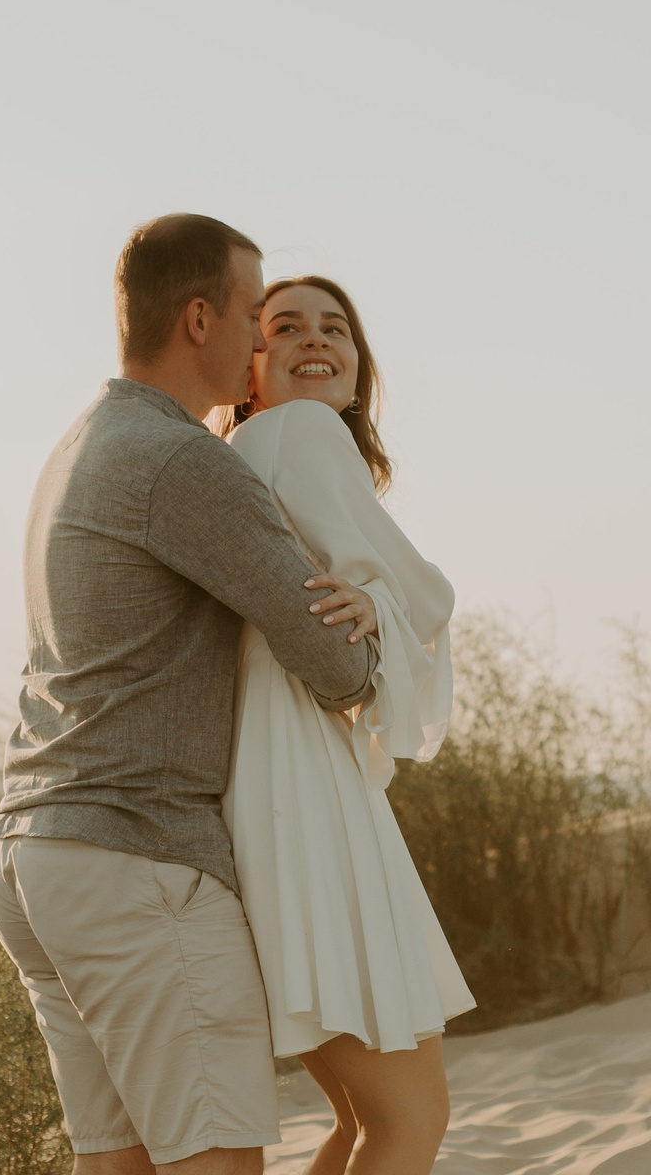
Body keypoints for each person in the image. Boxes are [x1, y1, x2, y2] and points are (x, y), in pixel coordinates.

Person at [0, 214, 381, 1175]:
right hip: (138, 862)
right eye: (253, 315)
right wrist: (371, 626)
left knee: (118, 1165)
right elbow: (334, 665)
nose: (261, 341)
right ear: (200, 319)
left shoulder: (80, 443)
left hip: (35, 857)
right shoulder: (183, 460)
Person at [217, 276, 471, 1175]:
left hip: (260, 774)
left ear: (359, 367)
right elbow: (428, 594)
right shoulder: (299, 431)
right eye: (286, 327)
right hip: (302, 778)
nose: (316, 341)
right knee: (411, 1120)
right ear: (248, 368)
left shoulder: (243, 451)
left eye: (337, 329)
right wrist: (384, 599)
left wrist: (373, 599)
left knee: (362, 1123)